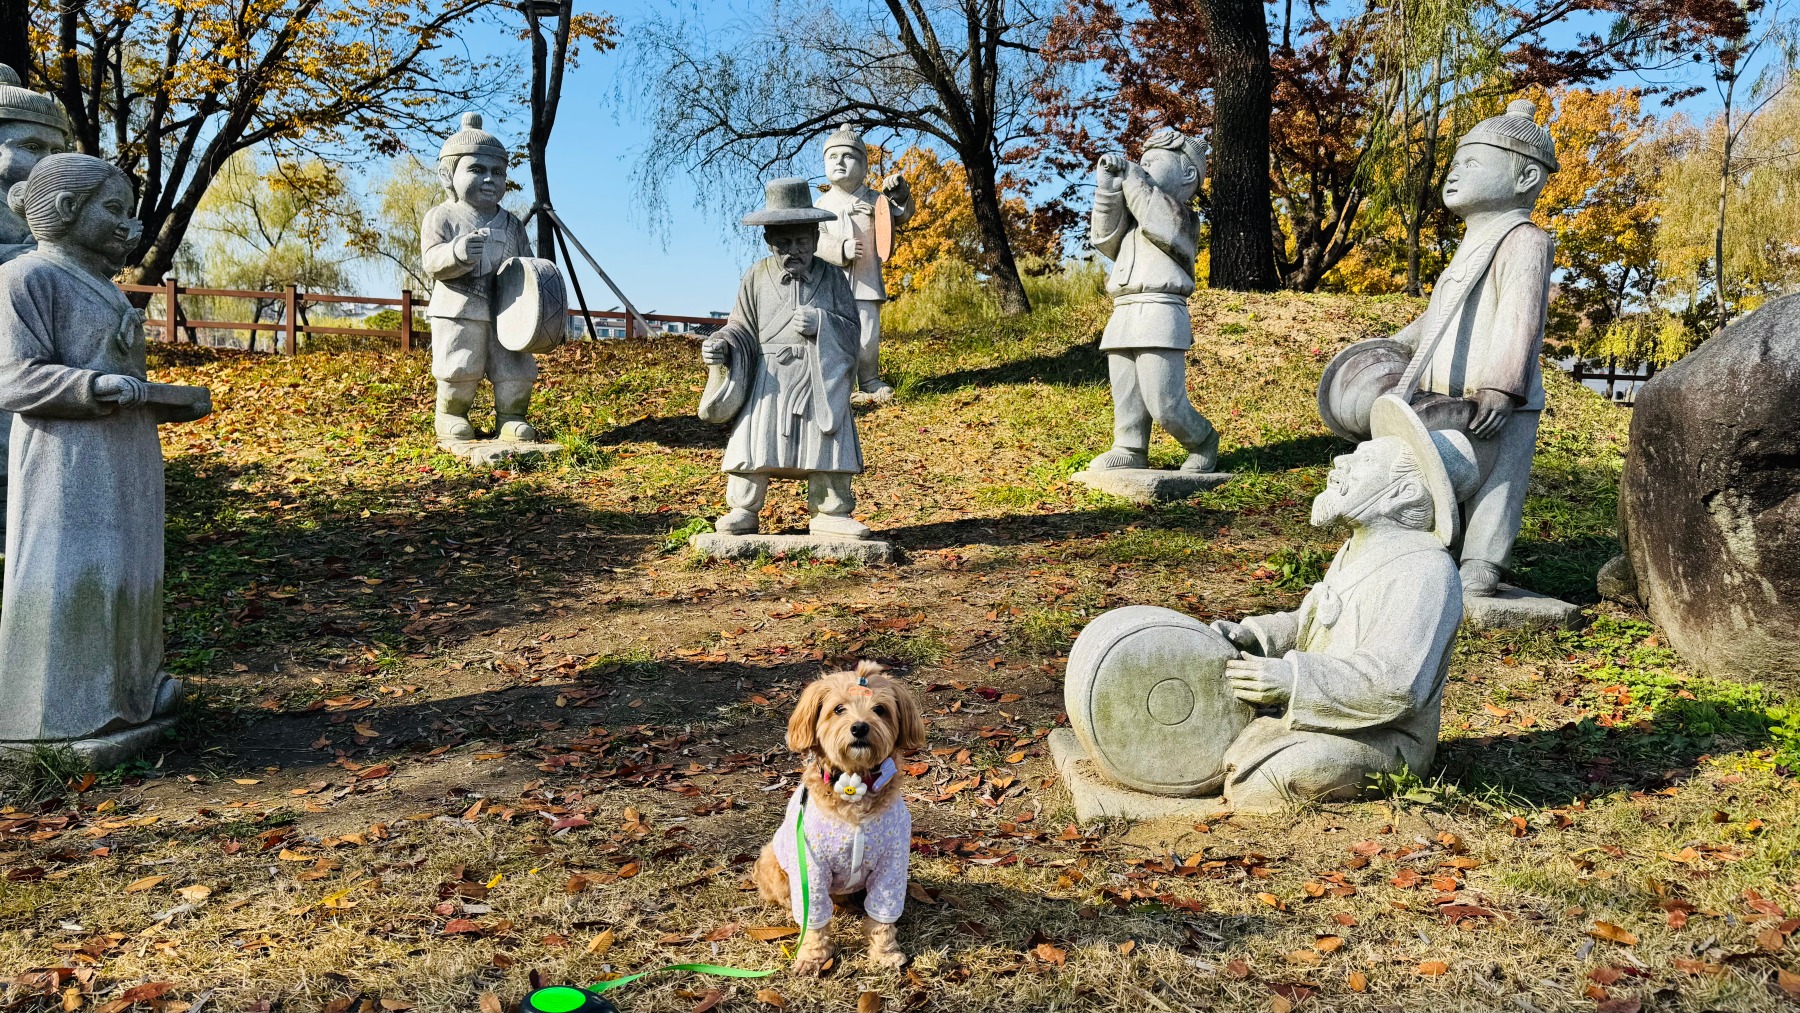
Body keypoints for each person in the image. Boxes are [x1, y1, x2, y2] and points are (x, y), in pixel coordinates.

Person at [0, 154, 210, 746]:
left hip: (127, 447)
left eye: (130, 212)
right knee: (73, 564)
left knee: (131, 561)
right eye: (113, 210)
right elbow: (11, 378)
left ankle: (133, 686)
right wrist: (89, 387)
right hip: (65, 457)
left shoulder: (107, 289)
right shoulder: (26, 278)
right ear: (68, 210)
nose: (130, 226)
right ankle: (63, 705)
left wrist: (162, 399)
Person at [1209, 395, 1480, 812]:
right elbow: (1315, 620)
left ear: (1403, 493)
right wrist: (1256, 636)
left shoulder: (1426, 571)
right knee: (1210, 731)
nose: (1340, 463)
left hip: (1384, 735)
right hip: (1320, 708)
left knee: (1262, 781)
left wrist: (1292, 681)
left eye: (1363, 461)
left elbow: (1398, 686)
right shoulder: (1356, 550)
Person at [1387, 99, 1558, 596]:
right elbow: (1440, 314)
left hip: (1499, 395)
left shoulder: (1525, 239)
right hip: (1444, 392)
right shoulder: (1469, 242)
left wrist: (1502, 386)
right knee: (1441, 466)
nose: (1455, 174)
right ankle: (1439, 543)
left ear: (1525, 177)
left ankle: (1484, 558)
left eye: (1472, 163)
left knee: (1500, 479)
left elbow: (1521, 317)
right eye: (1456, 163)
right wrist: (1393, 346)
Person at [698, 178, 867, 538]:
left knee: (830, 440)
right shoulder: (755, 277)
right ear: (769, 241)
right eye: (784, 243)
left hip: (820, 376)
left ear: (816, 239)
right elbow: (740, 326)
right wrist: (722, 345)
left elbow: (853, 331)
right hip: (769, 377)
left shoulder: (834, 278)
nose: (794, 250)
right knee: (753, 442)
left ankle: (832, 510)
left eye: (802, 241)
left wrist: (821, 322)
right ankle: (743, 508)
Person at [1088, 127, 1219, 473]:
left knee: (1164, 402)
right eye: (1140, 162)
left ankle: (1201, 439)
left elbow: (1157, 219)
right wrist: (1107, 189)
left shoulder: (1182, 216)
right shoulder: (1136, 211)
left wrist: (1131, 178)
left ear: (1188, 174)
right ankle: (1129, 446)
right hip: (1124, 307)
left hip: (1161, 309)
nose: (1142, 168)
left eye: (1152, 162)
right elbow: (1104, 239)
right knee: (1126, 392)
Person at [421, 112, 538, 442]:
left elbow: (526, 265)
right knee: (459, 366)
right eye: (477, 169)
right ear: (448, 174)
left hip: (508, 311)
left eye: (497, 172)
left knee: (513, 368)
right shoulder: (442, 217)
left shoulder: (513, 224)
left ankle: (512, 416)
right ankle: (451, 415)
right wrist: (456, 254)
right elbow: (431, 260)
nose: (490, 179)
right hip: (459, 309)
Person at [813, 125, 913, 403]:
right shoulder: (822, 204)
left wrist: (901, 195)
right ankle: (837, 384)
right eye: (832, 157)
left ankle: (868, 380)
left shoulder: (876, 199)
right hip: (832, 283)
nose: (839, 162)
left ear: (864, 165)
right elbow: (816, 239)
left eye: (848, 156)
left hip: (867, 280)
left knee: (867, 335)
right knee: (835, 334)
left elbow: (900, 218)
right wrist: (840, 248)